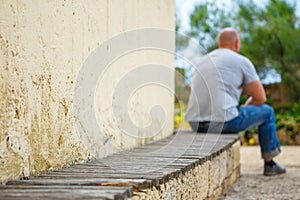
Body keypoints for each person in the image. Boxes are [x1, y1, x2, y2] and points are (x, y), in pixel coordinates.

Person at [185, 27, 286, 176]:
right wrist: (244, 108)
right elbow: (260, 98)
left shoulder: (203, 60)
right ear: (237, 43)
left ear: (219, 43)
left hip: (196, 123)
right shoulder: (241, 61)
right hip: (224, 122)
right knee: (267, 111)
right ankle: (270, 163)